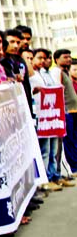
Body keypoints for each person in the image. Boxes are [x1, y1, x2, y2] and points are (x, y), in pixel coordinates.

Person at [29, 48, 63, 192]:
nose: (42, 61)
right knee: (44, 150)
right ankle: (45, 179)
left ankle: (54, 175)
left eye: (45, 58)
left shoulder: (46, 74)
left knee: (53, 149)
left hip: (52, 117)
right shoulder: (31, 75)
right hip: (40, 117)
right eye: (39, 58)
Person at [52, 49, 77, 181]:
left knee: (74, 139)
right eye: (65, 57)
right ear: (56, 59)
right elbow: (58, 90)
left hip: (73, 110)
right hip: (66, 111)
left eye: (69, 57)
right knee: (68, 141)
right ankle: (72, 167)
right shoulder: (57, 72)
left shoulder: (66, 72)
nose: (68, 59)